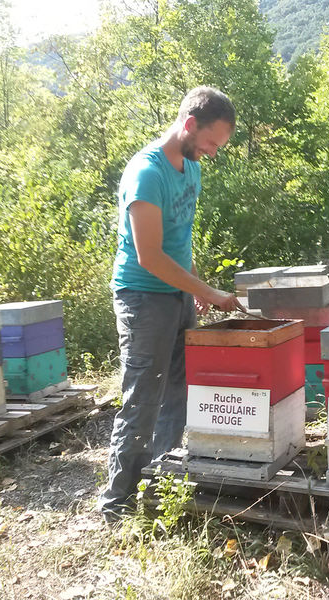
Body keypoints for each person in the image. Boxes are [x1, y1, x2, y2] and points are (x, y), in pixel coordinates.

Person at [98, 86, 244, 520]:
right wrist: (209, 292)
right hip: (143, 298)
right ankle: (116, 502)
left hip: (177, 295)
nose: (213, 153)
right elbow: (150, 255)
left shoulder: (191, 168)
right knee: (143, 396)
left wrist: (193, 287)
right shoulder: (146, 173)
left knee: (179, 390)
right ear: (189, 124)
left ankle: (156, 482)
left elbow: (180, 243)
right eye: (211, 142)